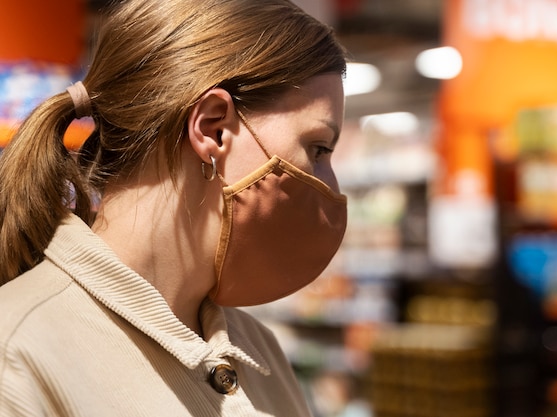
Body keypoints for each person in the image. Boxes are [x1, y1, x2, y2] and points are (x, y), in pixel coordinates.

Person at [0, 0, 348, 415]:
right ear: (213, 128)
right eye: (318, 148)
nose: (332, 186)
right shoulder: (18, 358)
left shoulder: (259, 349)